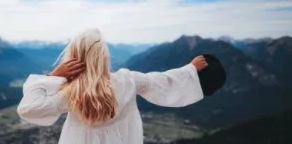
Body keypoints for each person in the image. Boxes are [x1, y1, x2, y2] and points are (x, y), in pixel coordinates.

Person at [17, 28, 208, 144]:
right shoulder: (128, 81)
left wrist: (52, 77)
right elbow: (161, 81)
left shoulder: (72, 93)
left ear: (74, 57)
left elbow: (29, 109)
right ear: (104, 56)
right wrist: (190, 70)